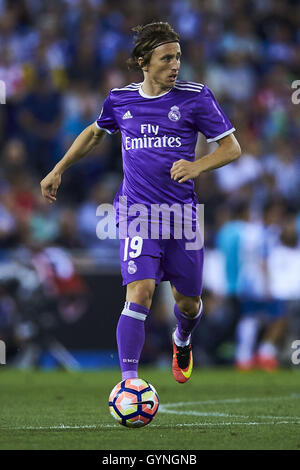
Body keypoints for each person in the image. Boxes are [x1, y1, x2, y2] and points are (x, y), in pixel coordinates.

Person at [40, 22, 241, 384]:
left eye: (178, 57)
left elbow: (231, 148)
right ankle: (129, 381)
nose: (175, 65)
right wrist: (58, 169)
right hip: (136, 213)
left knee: (189, 303)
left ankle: (182, 338)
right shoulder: (120, 100)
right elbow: (93, 134)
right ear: (143, 62)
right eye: (167, 58)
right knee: (141, 291)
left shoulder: (196, 96)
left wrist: (197, 166)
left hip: (183, 216)